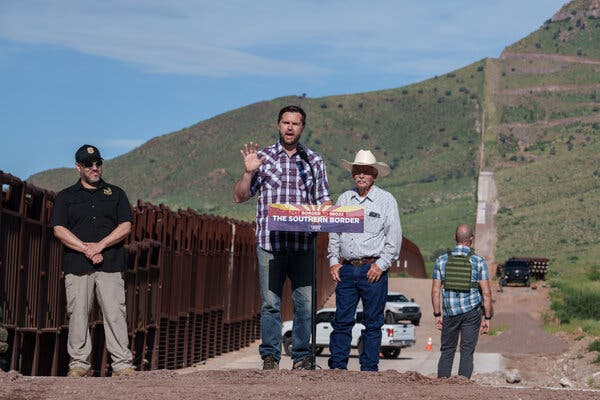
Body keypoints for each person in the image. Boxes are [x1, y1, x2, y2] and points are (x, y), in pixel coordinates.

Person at [233, 105, 332, 370]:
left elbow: (323, 198)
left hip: (302, 245)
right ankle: (270, 356)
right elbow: (240, 196)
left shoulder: (313, 160)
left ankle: (301, 356)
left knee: (305, 304)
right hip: (270, 244)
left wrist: (327, 211)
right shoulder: (263, 158)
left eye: (295, 123)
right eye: (285, 122)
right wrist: (248, 172)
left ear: (302, 127)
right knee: (270, 304)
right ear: (278, 125)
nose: (290, 127)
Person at [50, 144, 135, 377]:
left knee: (115, 312)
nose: (95, 168)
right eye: (88, 164)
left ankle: (122, 365)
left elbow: (126, 225)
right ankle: (79, 364)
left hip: (111, 263)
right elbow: (59, 229)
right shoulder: (66, 197)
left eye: (98, 163)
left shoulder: (116, 194)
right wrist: (86, 249)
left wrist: (101, 245)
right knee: (77, 313)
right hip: (77, 266)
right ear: (78, 167)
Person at [327, 149, 402, 371]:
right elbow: (334, 232)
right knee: (342, 320)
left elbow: (394, 236)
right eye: (357, 171)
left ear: (374, 175)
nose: (360, 175)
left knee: (373, 322)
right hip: (348, 269)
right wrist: (333, 260)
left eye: (366, 172)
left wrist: (381, 264)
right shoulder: (344, 199)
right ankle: (338, 366)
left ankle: (369, 368)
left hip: (373, 268)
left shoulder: (386, 200)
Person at [431, 224, 493, 379]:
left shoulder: (441, 260)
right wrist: (487, 317)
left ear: (454, 237)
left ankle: (442, 385)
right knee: (467, 350)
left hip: (450, 313)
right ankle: (463, 386)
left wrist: (438, 314)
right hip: (472, 312)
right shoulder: (478, 261)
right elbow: (486, 293)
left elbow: (435, 291)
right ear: (471, 240)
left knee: (447, 350)